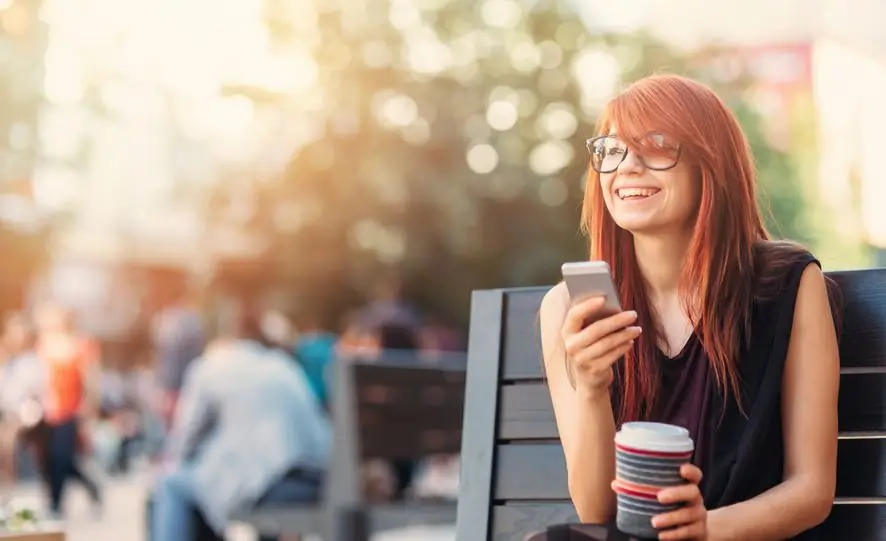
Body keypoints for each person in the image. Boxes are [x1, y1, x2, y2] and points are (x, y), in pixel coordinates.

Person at [540, 75, 839, 541]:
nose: (627, 168)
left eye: (657, 146)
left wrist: (706, 530)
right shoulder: (569, 307)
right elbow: (596, 509)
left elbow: (812, 489)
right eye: (612, 150)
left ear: (710, 165)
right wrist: (593, 388)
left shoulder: (787, 285)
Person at [151, 311, 330, 541]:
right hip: (317, 483)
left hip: (269, 486)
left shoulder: (211, 365)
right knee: (204, 484)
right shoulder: (284, 366)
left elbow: (184, 441)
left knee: (172, 484)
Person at [35, 303, 103, 517]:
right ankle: (91, 487)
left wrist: (88, 405)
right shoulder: (45, 345)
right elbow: (40, 378)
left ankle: (56, 502)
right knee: (52, 458)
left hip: (70, 410)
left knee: (61, 456)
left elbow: (90, 377)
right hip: (47, 411)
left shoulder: (81, 344)